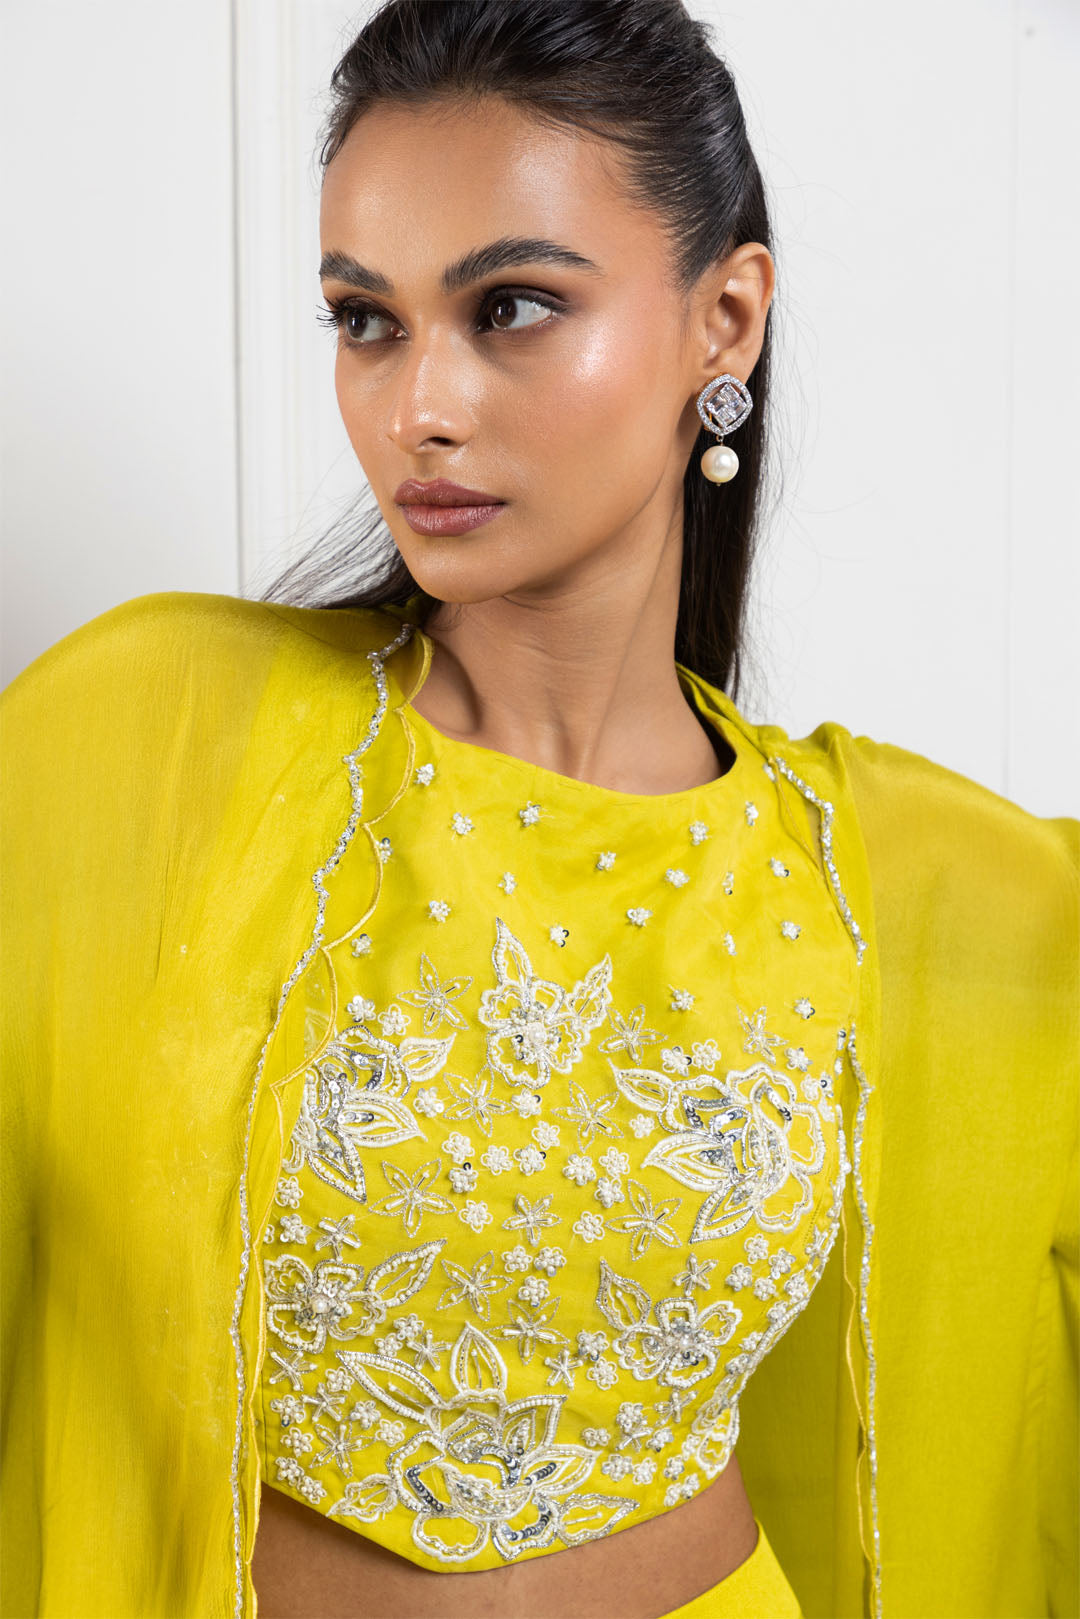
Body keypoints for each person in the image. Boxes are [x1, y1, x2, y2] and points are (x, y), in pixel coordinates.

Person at [1, 3, 1076, 1617]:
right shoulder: (153, 732)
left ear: (725, 320)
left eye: (510, 308)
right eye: (366, 321)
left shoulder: (894, 880)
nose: (418, 406)